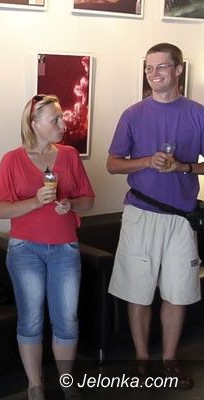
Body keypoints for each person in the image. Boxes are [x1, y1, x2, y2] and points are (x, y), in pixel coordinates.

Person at [107, 43, 204, 389]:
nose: (154, 74)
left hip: (181, 218)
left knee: (178, 292)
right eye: (149, 68)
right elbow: (112, 164)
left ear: (178, 70)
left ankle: (169, 359)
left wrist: (184, 167)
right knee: (138, 291)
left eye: (161, 67)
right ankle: (142, 360)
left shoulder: (198, 114)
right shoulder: (133, 114)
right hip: (141, 213)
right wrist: (147, 161)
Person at [0, 94, 95, 400]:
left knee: (67, 320)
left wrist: (70, 204)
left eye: (62, 117)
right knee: (31, 319)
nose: (64, 124)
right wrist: (35, 202)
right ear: (34, 124)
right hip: (25, 250)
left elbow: (88, 201)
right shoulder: (12, 160)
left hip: (65, 248)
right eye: (55, 119)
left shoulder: (70, 156)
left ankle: (66, 381)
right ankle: (35, 385)